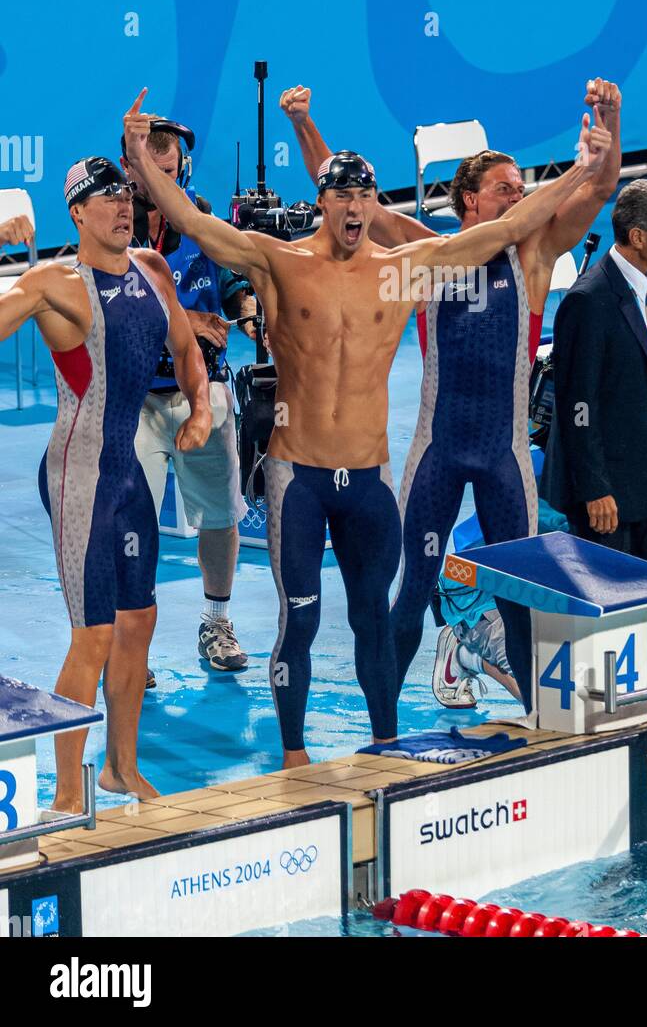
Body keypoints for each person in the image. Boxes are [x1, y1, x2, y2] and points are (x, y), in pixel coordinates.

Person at [122, 88, 611, 765]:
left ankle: (386, 743)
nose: (354, 209)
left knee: (371, 621)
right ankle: (295, 758)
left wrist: (583, 168)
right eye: (342, 196)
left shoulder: (405, 269)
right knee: (301, 619)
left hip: (371, 481)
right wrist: (141, 160)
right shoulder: (281, 262)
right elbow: (197, 227)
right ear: (323, 202)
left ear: (373, 203)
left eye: (365, 196)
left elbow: (501, 231)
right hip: (300, 477)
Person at [284, 81, 621, 711]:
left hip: (504, 455)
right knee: (412, 589)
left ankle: (539, 722)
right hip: (436, 453)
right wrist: (305, 121)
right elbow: (345, 200)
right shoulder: (421, 249)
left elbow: (600, 188)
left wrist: (611, 121)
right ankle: (384, 731)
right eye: (505, 189)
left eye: (522, 190)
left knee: (522, 591)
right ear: (468, 198)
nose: (519, 198)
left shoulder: (536, 253)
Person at [0, 157, 212, 809]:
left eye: (125, 194)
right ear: (77, 214)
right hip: (78, 477)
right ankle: (68, 794)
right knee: (91, 634)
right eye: (105, 197)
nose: (122, 206)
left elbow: (185, 348)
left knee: (138, 621)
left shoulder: (151, 270)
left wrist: (200, 408)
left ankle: (120, 768)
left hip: (129, 474)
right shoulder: (52, 284)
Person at [120, 121, 256, 674]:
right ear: (130, 169)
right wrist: (186, 320)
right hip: (135, 402)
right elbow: (113, 313)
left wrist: (249, 315)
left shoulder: (203, 223)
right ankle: (133, 641)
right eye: (149, 172)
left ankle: (216, 621)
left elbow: (234, 288)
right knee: (135, 521)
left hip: (203, 391)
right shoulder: (115, 224)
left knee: (221, 516)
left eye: (169, 172)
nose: (159, 182)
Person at [545, 179, 647, 669]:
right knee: (609, 601)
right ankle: (601, 696)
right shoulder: (589, 299)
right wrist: (594, 488)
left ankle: (631, 685)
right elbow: (575, 403)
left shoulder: (644, 290)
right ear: (636, 236)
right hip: (606, 491)